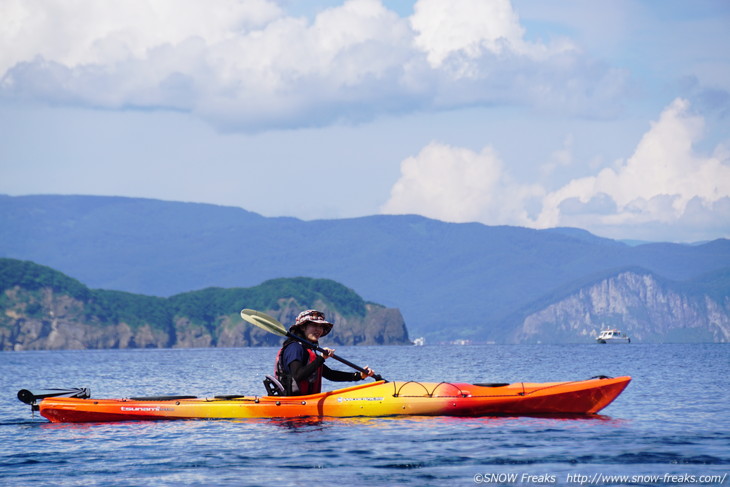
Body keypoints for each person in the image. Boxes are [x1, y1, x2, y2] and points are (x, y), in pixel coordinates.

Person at [274, 309, 376, 396]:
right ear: (302, 327)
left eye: (321, 327)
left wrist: (359, 376)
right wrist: (321, 358)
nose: (318, 330)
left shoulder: (307, 351)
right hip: (293, 404)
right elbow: (298, 375)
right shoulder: (294, 348)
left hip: (307, 402)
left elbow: (331, 374)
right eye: (314, 325)